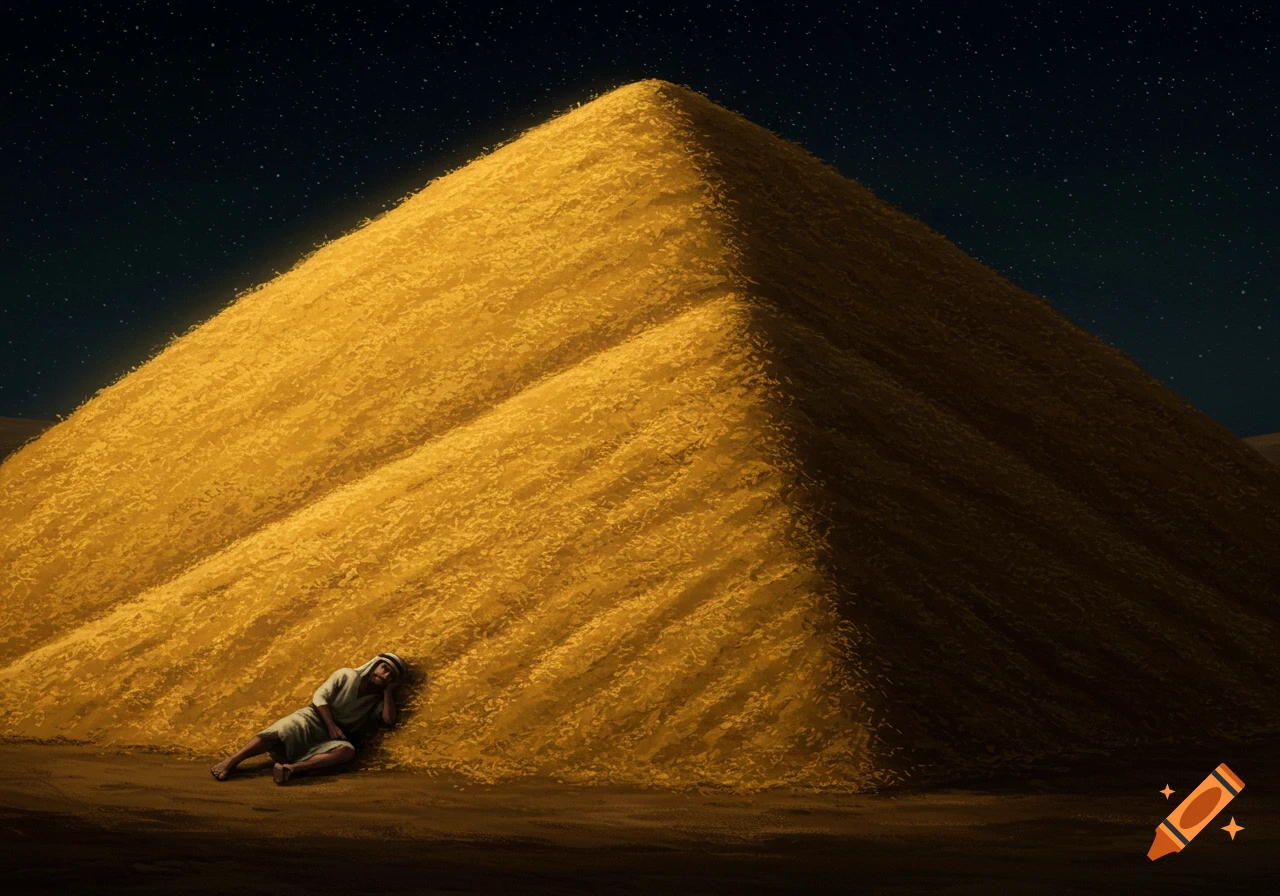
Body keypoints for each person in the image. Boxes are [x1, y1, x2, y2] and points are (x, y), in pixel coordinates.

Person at [211, 652, 408, 785]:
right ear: (375, 665)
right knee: (283, 728)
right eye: (384, 668)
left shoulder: (377, 699)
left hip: (336, 735)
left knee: (346, 751)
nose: (385, 675)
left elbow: (389, 720)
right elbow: (319, 697)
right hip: (314, 717)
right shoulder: (346, 675)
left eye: (391, 674)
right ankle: (232, 761)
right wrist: (330, 725)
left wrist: (388, 693)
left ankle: (291, 770)